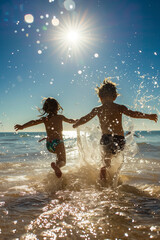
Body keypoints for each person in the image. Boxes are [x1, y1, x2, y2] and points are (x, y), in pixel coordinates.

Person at [73, 78, 158, 180]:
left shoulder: (98, 109)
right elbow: (133, 113)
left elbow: (85, 118)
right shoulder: (119, 107)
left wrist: (76, 124)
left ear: (100, 97)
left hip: (105, 138)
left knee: (106, 158)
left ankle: (104, 169)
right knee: (116, 157)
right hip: (119, 139)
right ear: (114, 97)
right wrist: (148, 116)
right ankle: (111, 178)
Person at [14, 97, 77, 178]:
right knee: (63, 161)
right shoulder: (60, 117)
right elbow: (70, 120)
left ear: (46, 109)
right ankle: (57, 166)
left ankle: (58, 179)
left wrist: (22, 126)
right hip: (58, 142)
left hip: (49, 144)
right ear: (57, 108)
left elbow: (34, 122)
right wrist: (78, 120)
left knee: (58, 157)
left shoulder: (45, 119)